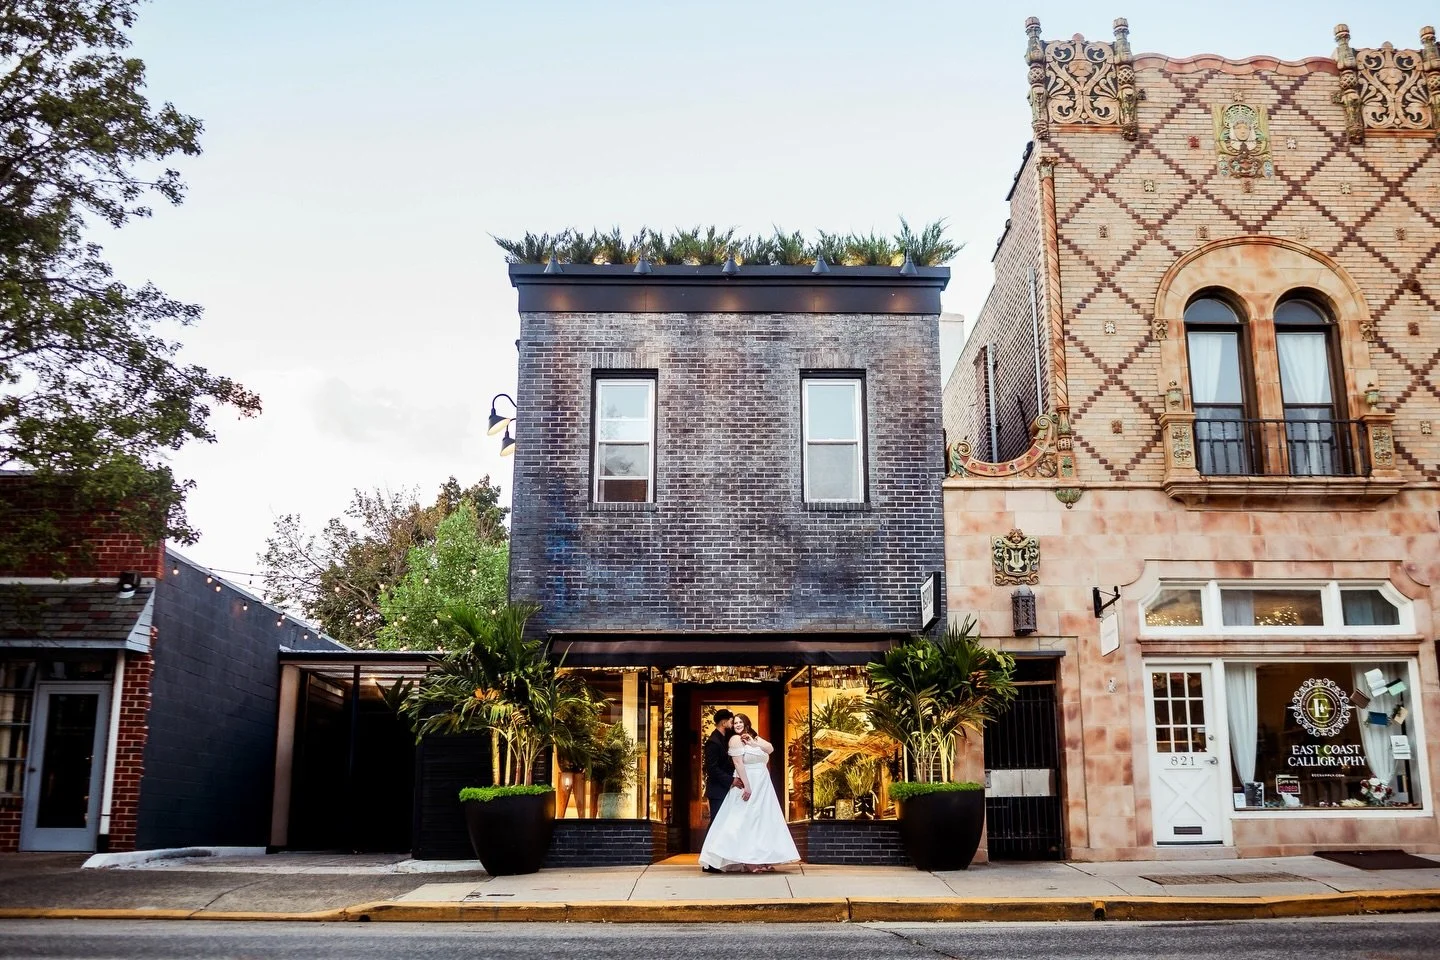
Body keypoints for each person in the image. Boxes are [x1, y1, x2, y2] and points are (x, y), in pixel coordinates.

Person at [697, 712, 800, 873]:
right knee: (744, 821)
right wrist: (747, 785)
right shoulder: (734, 740)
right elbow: (738, 763)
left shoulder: (753, 738)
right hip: (747, 782)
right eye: (734, 722)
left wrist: (753, 743)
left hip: (763, 785)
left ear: (747, 723)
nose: (737, 724)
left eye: (740, 722)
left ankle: (762, 857)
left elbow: (770, 748)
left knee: (762, 821)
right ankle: (745, 860)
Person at [700, 709, 740, 873]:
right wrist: (731, 780)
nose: (732, 724)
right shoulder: (713, 742)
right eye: (731, 721)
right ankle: (708, 862)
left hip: (725, 789)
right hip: (717, 790)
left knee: (722, 824)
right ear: (724, 722)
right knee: (716, 824)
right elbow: (712, 768)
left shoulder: (725, 739)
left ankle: (716, 860)